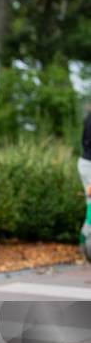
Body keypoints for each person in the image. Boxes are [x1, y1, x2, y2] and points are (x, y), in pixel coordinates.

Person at [77, 103, 91, 262]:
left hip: (85, 163)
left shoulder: (88, 118)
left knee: (90, 202)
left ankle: (83, 242)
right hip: (89, 165)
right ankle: (85, 240)